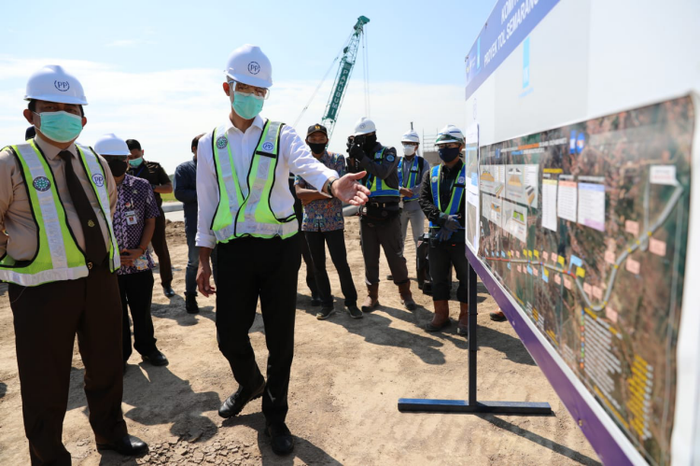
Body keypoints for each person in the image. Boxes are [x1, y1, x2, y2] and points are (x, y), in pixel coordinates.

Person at [195, 44, 370, 456]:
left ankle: (275, 416)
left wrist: (333, 183)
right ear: (227, 87)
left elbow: (309, 164)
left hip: (279, 251)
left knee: (280, 339)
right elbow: (206, 202)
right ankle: (250, 382)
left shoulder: (281, 133)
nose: (252, 96)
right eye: (246, 88)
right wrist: (202, 259)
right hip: (233, 253)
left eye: (261, 90)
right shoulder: (209, 143)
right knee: (229, 335)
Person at [0, 65, 147, 464]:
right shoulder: (10, 162)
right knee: (44, 379)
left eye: (72, 108)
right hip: (41, 288)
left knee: (107, 365)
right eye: (51, 106)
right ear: (30, 115)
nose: (64, 115)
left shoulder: (94, 161)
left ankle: (110, 433)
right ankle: (48, 455)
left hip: (100, 279)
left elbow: (108, 207)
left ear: (84, 118)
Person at [95, 133, 168, 369]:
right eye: (108, 159)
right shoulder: (92, 189)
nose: (116, 163)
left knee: (142, 311)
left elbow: (150, 220)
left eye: (120, 158)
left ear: (127, 160)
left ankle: (148, 349)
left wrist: (140, 250)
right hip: (108, 267)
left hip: (138, 263)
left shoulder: (141, 185)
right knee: (115, 316)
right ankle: (121, 354)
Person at [347, 117, 417, 312]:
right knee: (369, 256)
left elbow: (383, 172)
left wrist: (361, 156)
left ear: (372, 135)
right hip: (368, 213)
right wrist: (352, 158)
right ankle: (372, 296)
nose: (361, 142)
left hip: (389, 213)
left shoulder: (389, 152)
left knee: (395, 256)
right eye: (358, 139)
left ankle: (405, 293)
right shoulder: (360, 156)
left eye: (364, 137)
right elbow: (352, 177)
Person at [295, 124, 362, 320]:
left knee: (341, 264)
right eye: (313, 139)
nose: (317, 142)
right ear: (307, 141)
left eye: (320, 138)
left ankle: (351, 303)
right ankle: (326, 304)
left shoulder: (336, 159)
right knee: (317, 266)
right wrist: (325, 192)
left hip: (333, 222)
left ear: (327, 140)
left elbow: (337, 192)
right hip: (310, 224)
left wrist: (312, 195)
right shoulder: (302, 162)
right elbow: (299, 193)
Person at [419, 125, 470, 335]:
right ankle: (441, 314)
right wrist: (441, 219)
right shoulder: (431, 174)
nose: (444, 149)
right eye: (440, 145)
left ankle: (465, 316)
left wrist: (455, 221)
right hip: (437, 236)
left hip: (462, 236)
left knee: (465, 278)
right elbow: (423, 199)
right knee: (438, 277)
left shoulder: (471, 172)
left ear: (460, 146)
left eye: (449, 145)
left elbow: (474, 201)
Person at [125, 138, 175, 297]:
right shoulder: (124, 170)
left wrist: (150, 187)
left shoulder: (154, 168)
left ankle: (167, 284)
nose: (133, 160)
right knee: (134, 249)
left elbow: (168, 188)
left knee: (161, 249)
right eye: (129, 158)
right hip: (132, 216)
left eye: (135, 156)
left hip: (155, 214)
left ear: (142, 152)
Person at [175, 134, 206, 313]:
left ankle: (224, 297)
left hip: (217, 223)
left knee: (219, 262)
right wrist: (204, 195)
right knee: (194, 261)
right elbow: (180, 193)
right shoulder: (184, 169)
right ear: (193, 149)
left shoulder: (217, 167)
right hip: (195, 222)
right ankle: (191, 297)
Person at [397, 129, 429, 275]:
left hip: (416, 207)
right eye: (405, 143)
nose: (407, 146)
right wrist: (400, 190)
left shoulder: (423, 163)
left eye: (411, 143)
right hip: (398, 206)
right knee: (398, 239)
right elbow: (389, 180)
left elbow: (425, 183)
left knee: (419, 239)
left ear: (416, 146)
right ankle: (398, 269)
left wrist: (411, 191)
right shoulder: (396, 162)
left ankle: (421, 269)